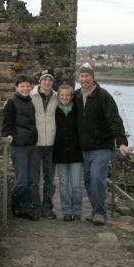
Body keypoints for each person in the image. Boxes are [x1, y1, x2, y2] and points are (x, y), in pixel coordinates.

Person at [74, 62, 129, 225]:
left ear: (93, 78)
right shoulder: (76, 96)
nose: (84, 79)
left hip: (101, 147)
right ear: (79, 78)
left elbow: (114, 120)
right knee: (89, 181)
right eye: (82, 76)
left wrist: (121, 142)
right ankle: (95, 210)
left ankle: (100, 213)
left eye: (87, 76)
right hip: (84, 148)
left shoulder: (104, 96)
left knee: (97, 178)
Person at [2, 75, 40, 220]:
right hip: (19, 145)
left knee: (30, 180)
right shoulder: (12, 102)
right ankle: (15, 205)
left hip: (31, 144)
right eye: (22, 86)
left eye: (27, 86)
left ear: (31, 88)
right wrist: (8, 135)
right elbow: (6, 123)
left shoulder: (29, 101)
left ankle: (25, 208)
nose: (25, 89)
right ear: (16, 88)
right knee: (22, 180)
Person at [31, 69, 58, 219]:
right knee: (34, 179)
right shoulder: (31, 95)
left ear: (53, 82)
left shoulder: (57, 97)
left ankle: (47, 207)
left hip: (51, 144)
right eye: (44, 79)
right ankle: (35, 207)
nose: (47, 82)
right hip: (36, 144)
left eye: (50, 80)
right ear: (40, 81)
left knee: (49, 179)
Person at [54, 84, 83, 221]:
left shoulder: (77, 110)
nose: (65, 97)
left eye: (67, 95)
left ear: (72, 96)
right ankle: (66, 210)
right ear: (58, 96)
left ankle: (76, 210)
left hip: (76, 152)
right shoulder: (54, 110)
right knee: (64, 184)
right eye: (62, 95)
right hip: (59, 153)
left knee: (76, 185)